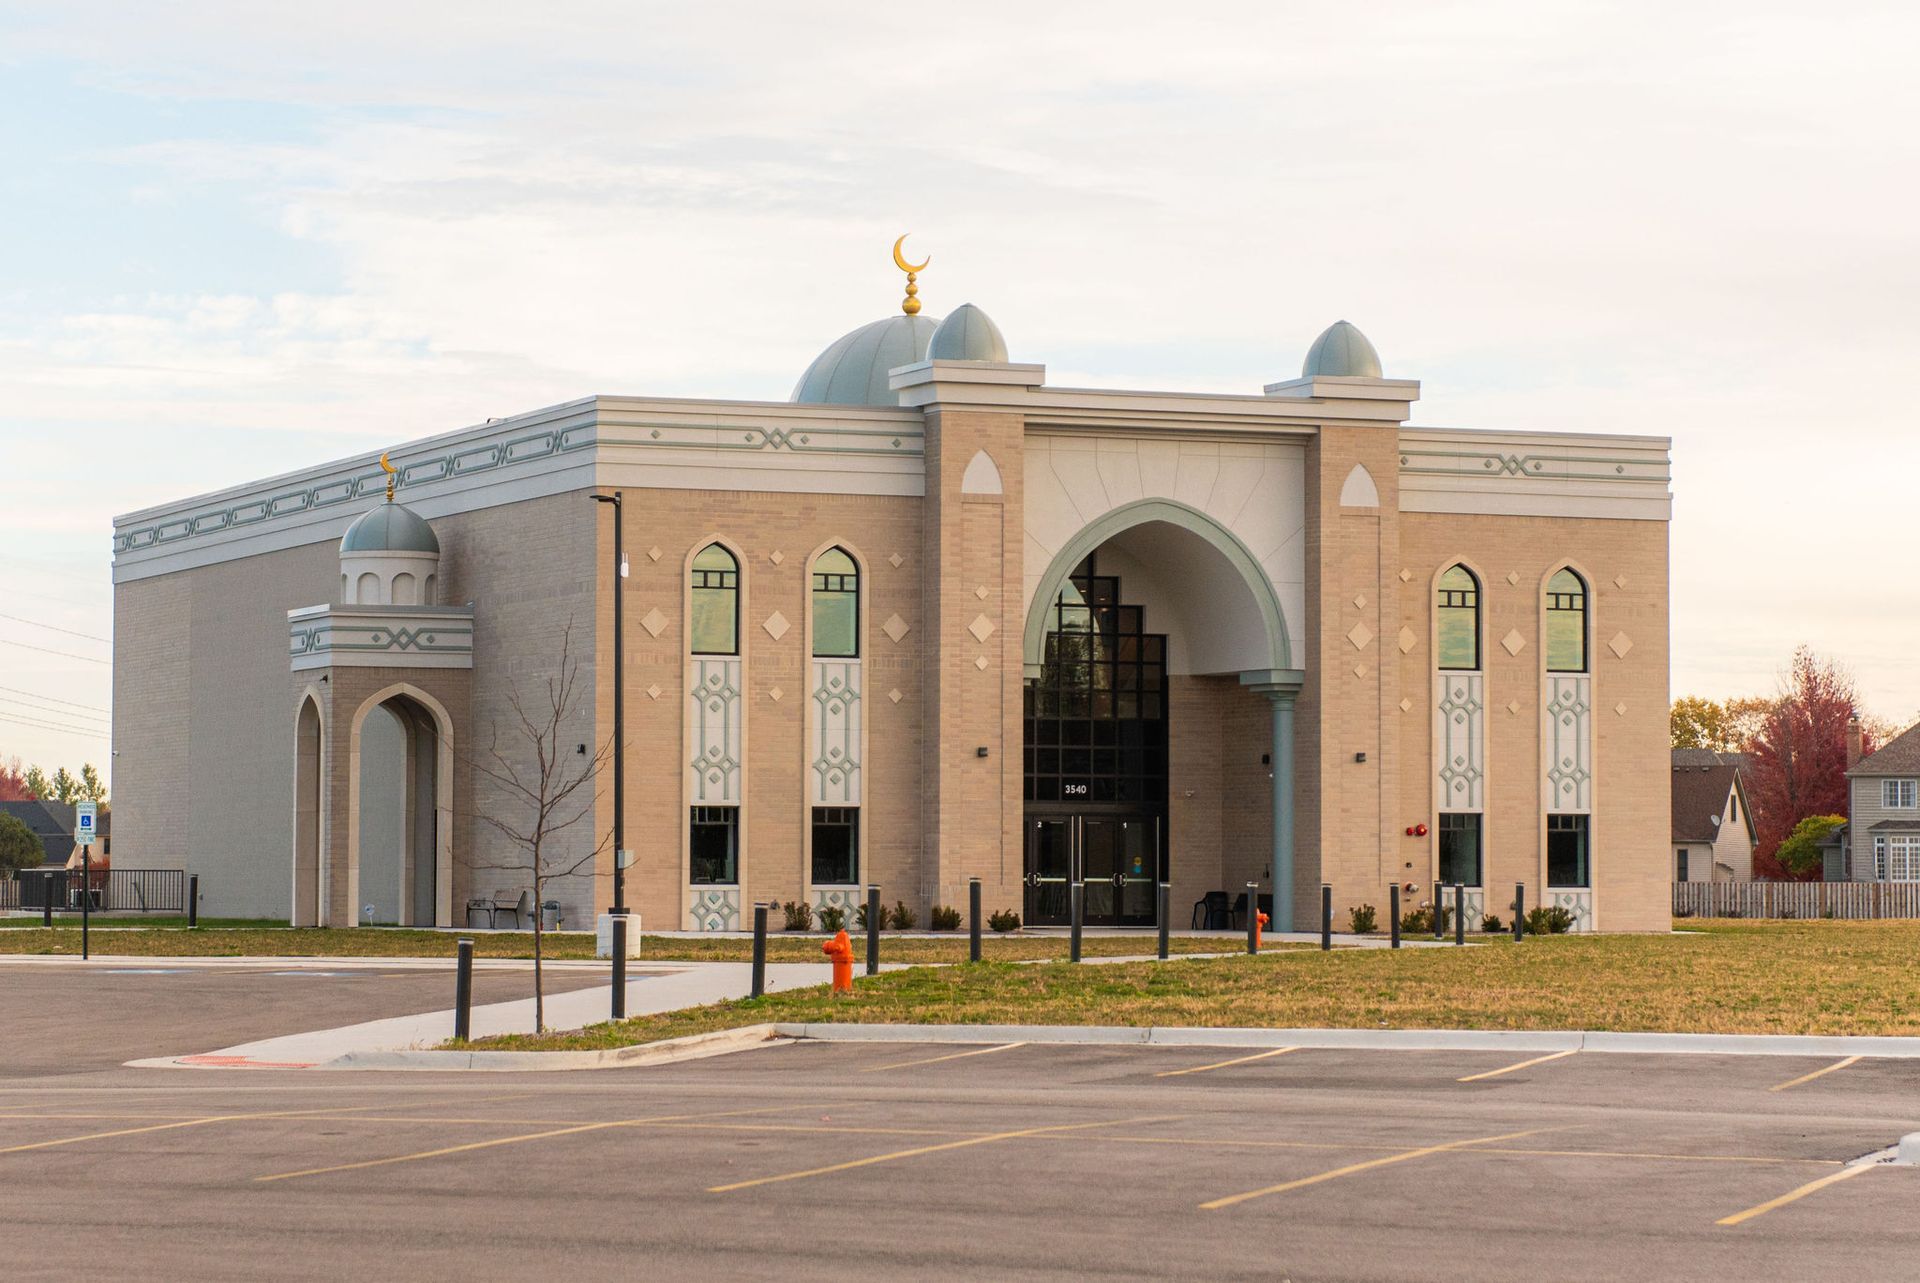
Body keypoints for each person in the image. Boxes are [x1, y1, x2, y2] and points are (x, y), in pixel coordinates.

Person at [63, 841, 110, 910]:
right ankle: (89, 907)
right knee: (86, 892)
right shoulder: (81, 868)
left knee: (87, 892)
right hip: (85, 880)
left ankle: (90, 907)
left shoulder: (90, 867)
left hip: (87, 880)